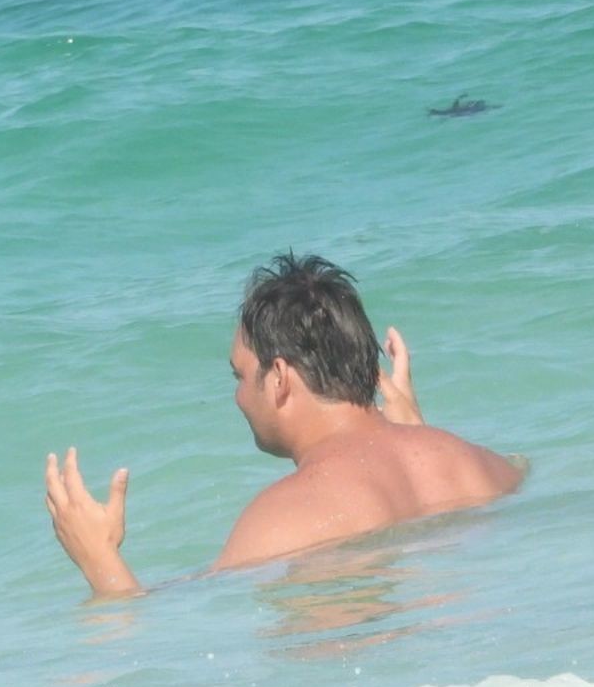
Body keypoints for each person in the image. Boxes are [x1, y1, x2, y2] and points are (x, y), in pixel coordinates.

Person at [45, 254, 523, 597]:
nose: (237, 396)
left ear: (278, 378)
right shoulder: (479, 463)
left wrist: (99, 559)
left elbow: (162, 641)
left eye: (239, 376)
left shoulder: (284, 517)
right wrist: (415, 432)